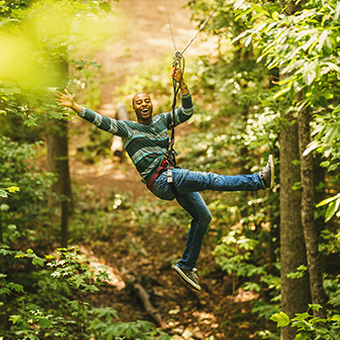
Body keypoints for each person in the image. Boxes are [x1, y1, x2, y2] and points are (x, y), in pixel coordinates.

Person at [55, 68, 274, 291]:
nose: (144, 104)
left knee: (203, 216)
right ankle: (259, 181)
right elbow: (102, 121)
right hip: (161, 180)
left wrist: (183, 84)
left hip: (171, 177)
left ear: (152, 104)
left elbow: (187, 111)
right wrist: (75, 107)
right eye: (139, 102)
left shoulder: (162, 121)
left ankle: (186, 265)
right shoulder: (128, 129)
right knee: (209, 179)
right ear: (134, 108)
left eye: (147, 100)